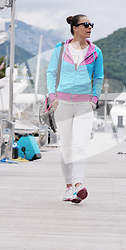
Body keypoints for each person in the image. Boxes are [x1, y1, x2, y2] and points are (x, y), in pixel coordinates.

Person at [46, 14, 104, 204]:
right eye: (86, 24)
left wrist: (94, 99)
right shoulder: (61, 49)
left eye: (91, 24)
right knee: (67, 147)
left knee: (80, 145)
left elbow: (99, 77)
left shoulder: (96, 52)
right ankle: (68, 187)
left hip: (83, 105)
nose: (90, 28)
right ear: (75, 28)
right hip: (62, 103)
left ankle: (79, 185)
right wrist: (52, 96)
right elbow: (51, 73)